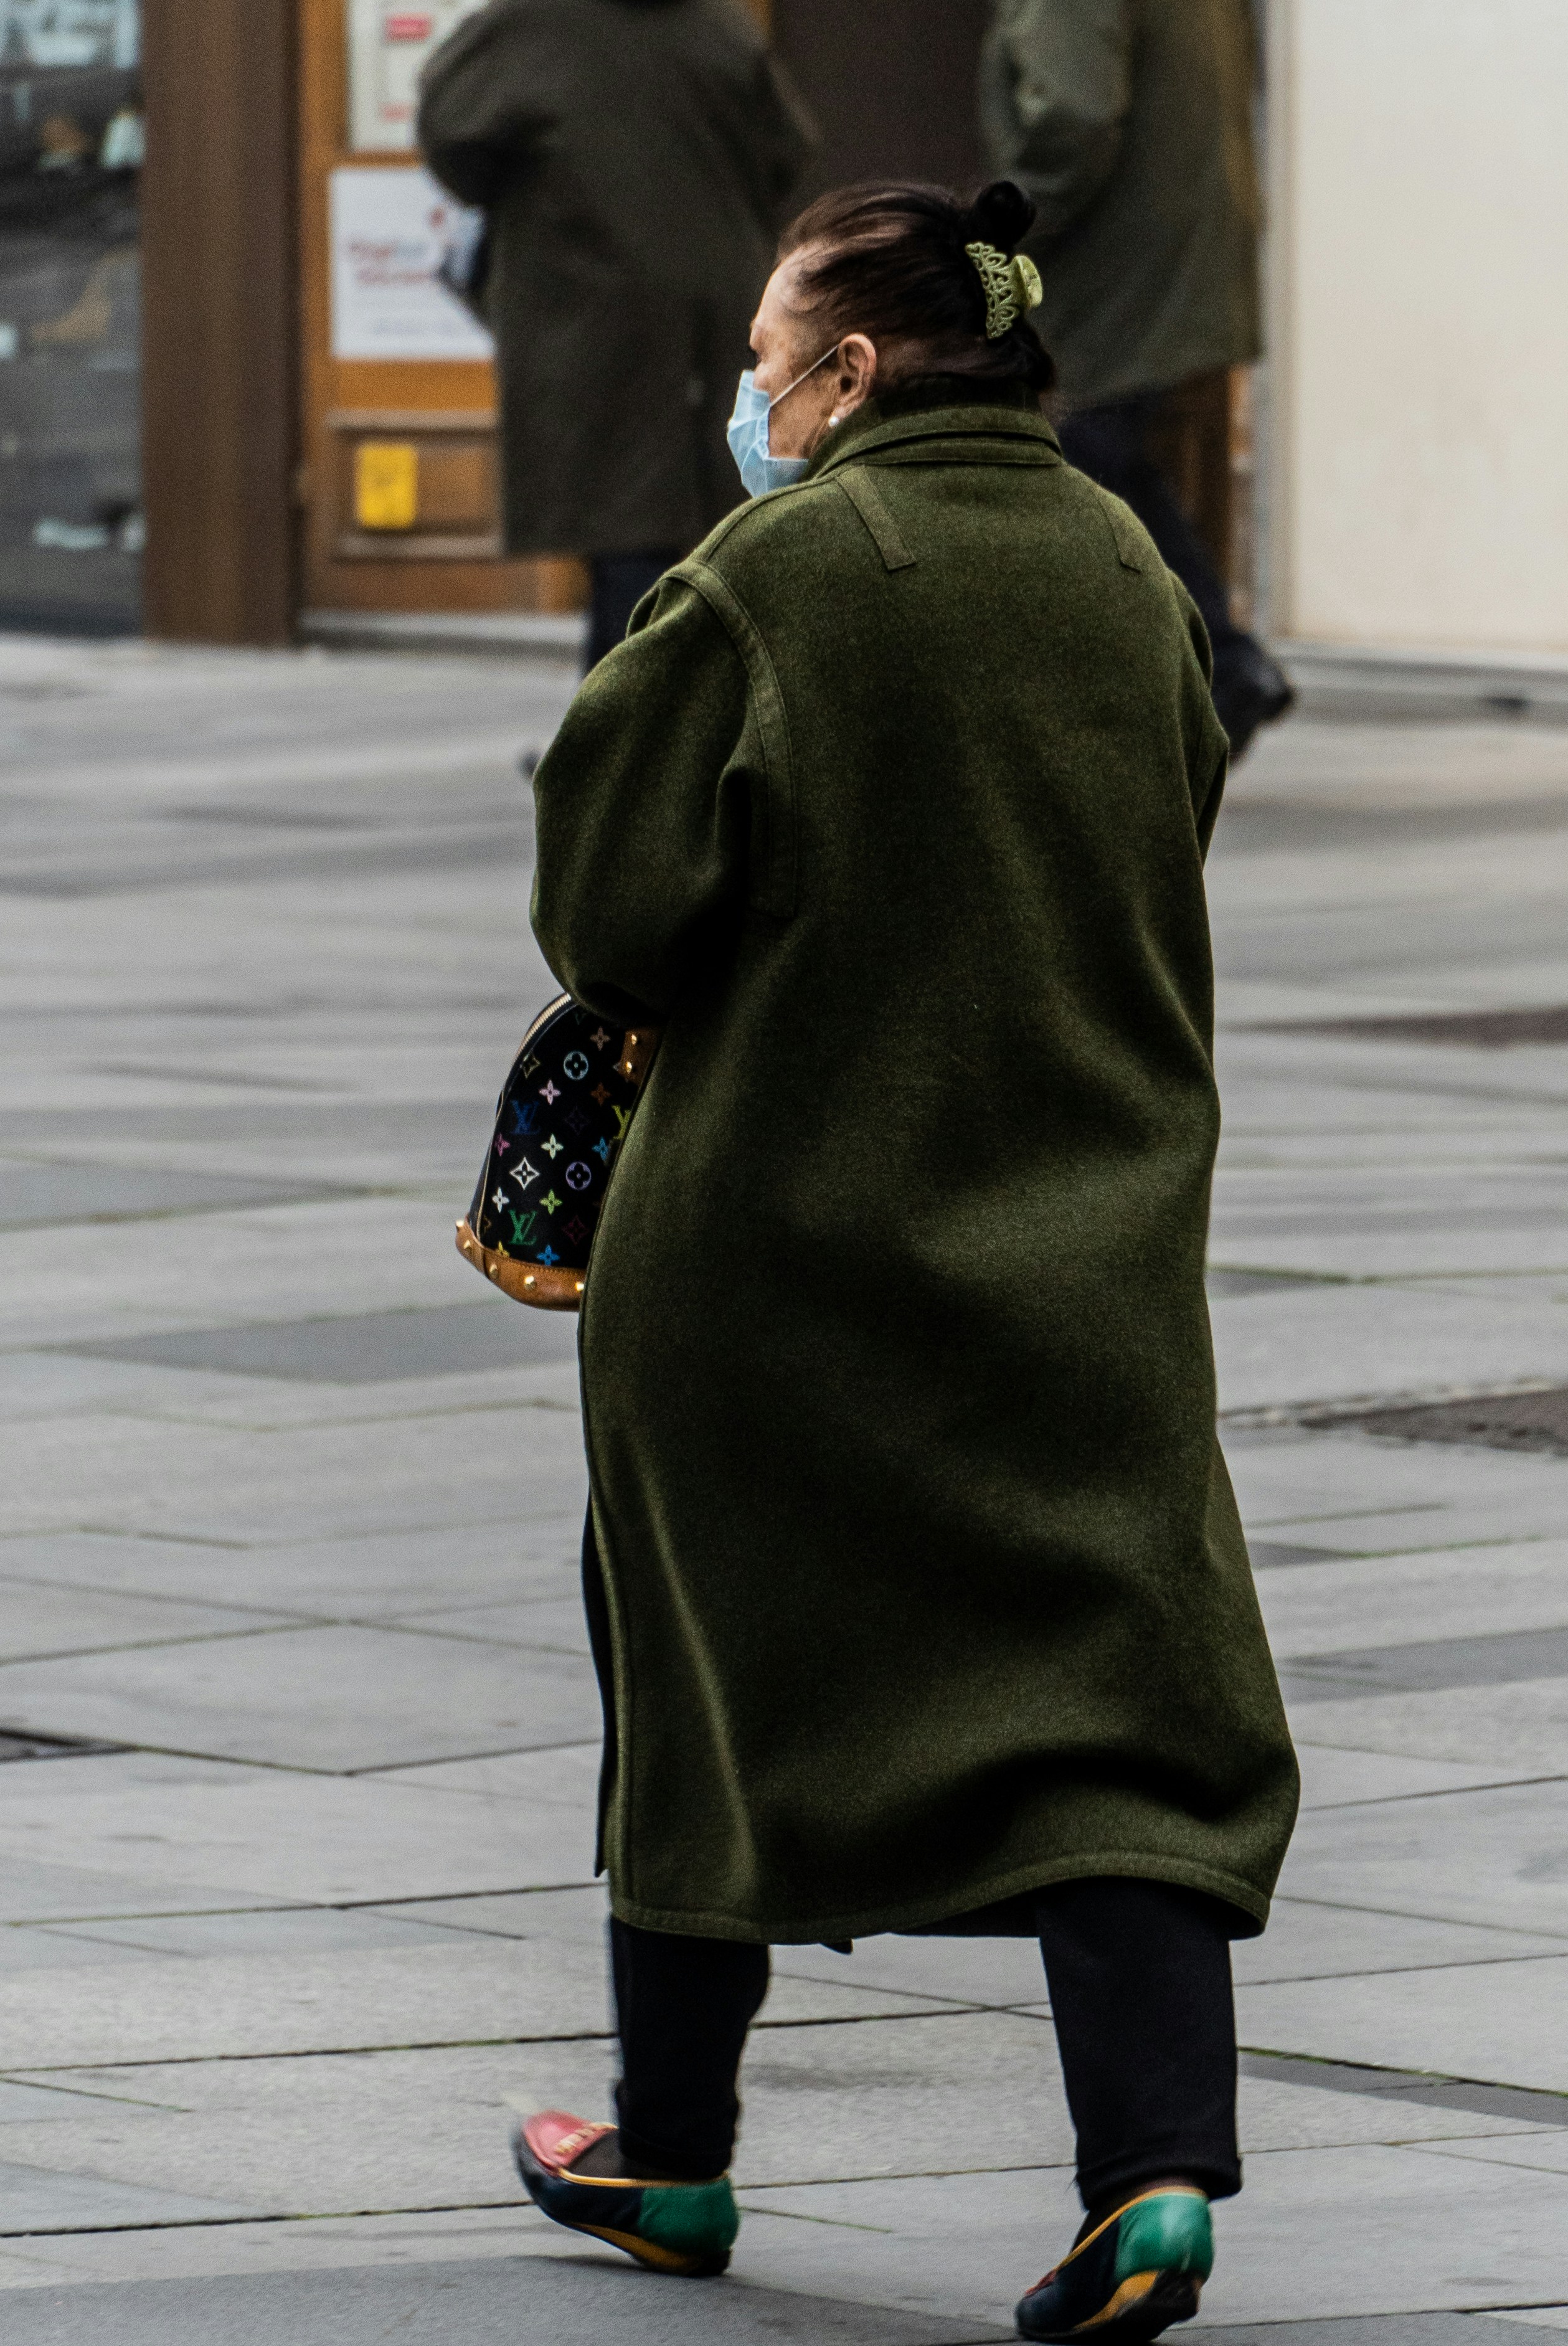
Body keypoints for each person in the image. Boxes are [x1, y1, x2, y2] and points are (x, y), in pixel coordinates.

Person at [516, 177, 1299, 2340]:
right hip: (1087, 1236)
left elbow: (611, 905)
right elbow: (1170, 814)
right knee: (1114, 1703)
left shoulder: (769, 577)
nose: (749, 400)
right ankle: (1146, 2182)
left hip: (769, 1250)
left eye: (767, 362)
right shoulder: (1125, 569)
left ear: (852, 374)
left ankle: (666, 2150)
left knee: (703, 1671)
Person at [418, 0, 815, 670]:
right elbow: (787, 150)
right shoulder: (720, 29)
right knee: (687, 533)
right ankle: (620, 748)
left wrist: (521, 192)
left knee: (625, 544)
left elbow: (449, 128)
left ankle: (620, 756)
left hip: (584, 321)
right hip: (718, 319)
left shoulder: (529, 26)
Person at [981, 0, 1293, 759]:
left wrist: (995, 229)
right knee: (1100, 451)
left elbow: (1073, 117)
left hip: (1114, 265)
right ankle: (1210, 662)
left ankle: (1213, 657)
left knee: (1064, 449)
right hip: (1178, 250)